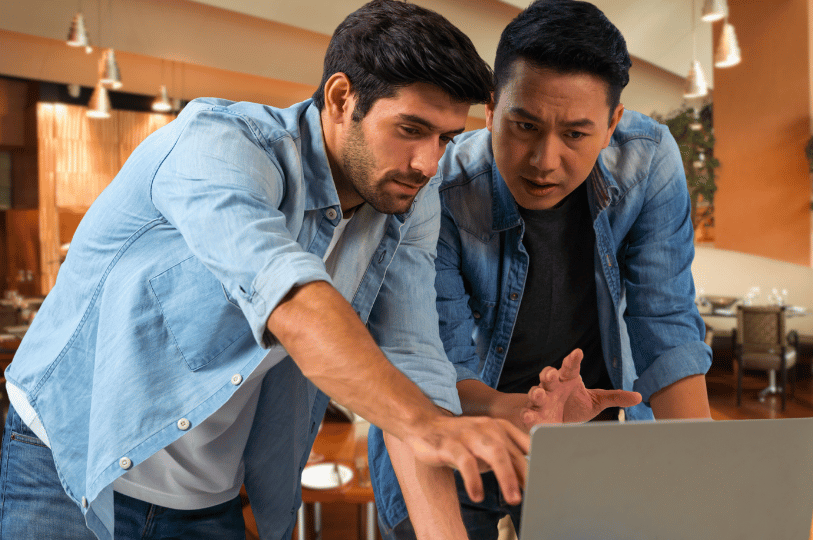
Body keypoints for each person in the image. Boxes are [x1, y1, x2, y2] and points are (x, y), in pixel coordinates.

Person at [0, 2, 532, 539]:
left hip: (206, 499)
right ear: (341, 98)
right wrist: (423, 423)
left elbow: (414, 356)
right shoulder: (220, 143)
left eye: (445, 138)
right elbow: (289, 296)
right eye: (411, 129)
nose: (428, 163)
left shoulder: (411, 199)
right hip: (68, 460)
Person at [370, 1, 713, 538]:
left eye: (576, 134)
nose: (544, 160)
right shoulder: (438, 186)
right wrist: (521, 410)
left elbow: (664, 323)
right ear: (490, 109)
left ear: (611, 124)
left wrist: (702, 485)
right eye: (524, 125)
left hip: (585, 431)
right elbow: (434, 366)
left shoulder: (647, 160)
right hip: (459, 432)